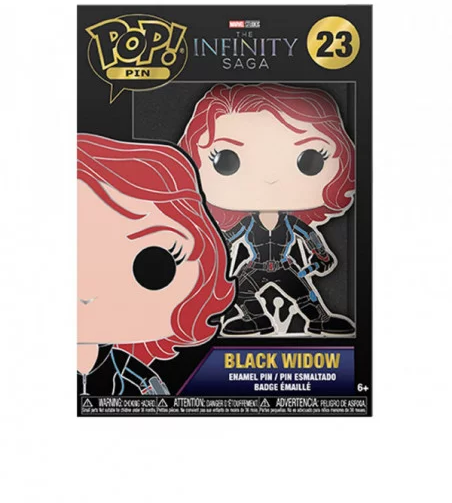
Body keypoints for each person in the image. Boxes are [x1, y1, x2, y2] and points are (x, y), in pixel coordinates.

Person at [180, 84, 355, 335]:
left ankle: (320, 320)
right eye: (227, 159)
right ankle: (256, 319)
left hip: (285, 266)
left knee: (305, 295)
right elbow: (228, 239)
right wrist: (213, 253)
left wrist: (321, 255)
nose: (270, 179)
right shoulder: (249, 223)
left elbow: (310, 235)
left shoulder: (290, 222)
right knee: (239, 293)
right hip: (255, 267)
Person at [77, 134, 235, 395]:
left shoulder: (116, 359)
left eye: (154, 262)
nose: (87, 291)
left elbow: (150, 383)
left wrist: (157, 397)